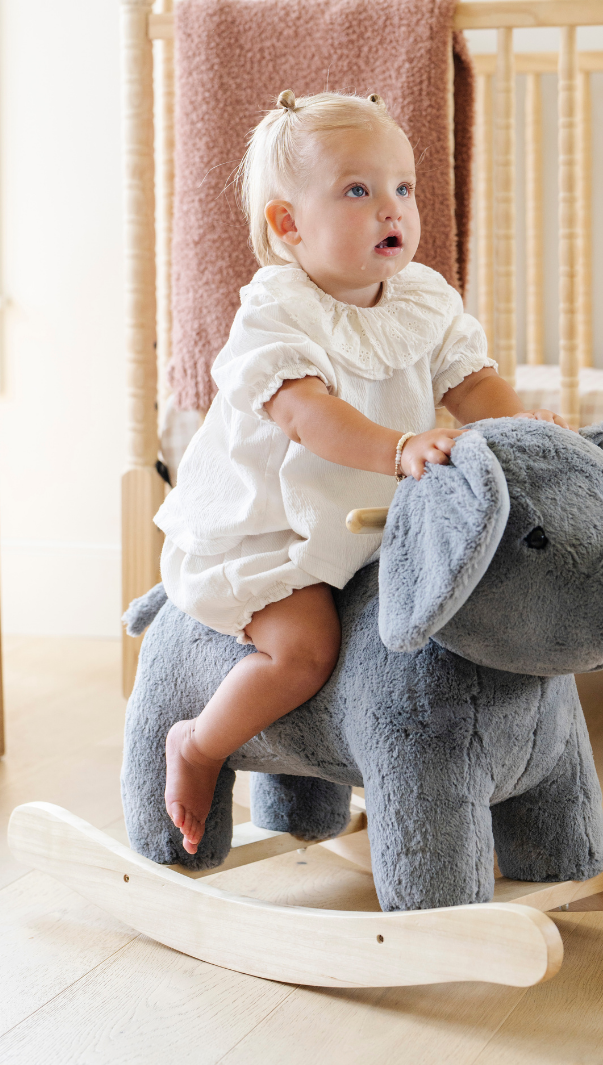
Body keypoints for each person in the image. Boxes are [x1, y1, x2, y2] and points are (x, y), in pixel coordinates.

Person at [155, 89, 568, 854]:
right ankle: (200, 745)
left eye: (403, 188)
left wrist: (512, 424)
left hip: (373, 523)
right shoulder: (274, 314)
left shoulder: (423, 297)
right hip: (276, 528)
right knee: (305, 650)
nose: (393, 210)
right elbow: (308, 416)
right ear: (289, 224)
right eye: (359, 191)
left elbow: (470, 381)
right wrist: (400, 447)